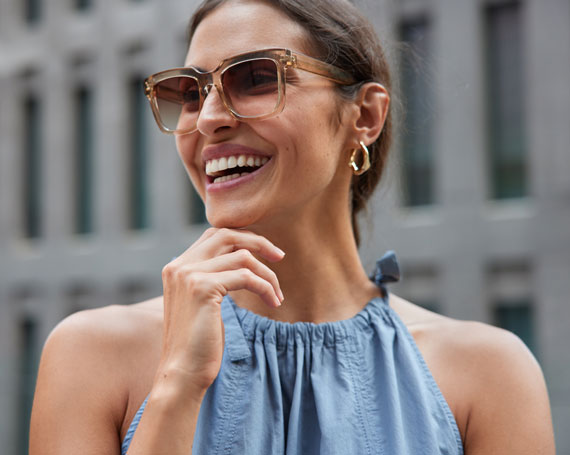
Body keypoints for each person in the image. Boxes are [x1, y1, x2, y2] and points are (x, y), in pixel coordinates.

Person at [30, 0, 556, 453]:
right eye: (190, 92)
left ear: (365, 117)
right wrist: (177, 388)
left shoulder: (488, 374)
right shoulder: (94, 356)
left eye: (256, 77)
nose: (209, 117)